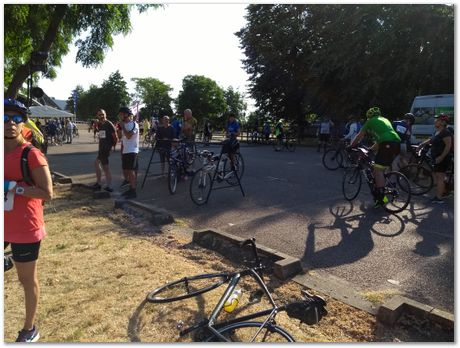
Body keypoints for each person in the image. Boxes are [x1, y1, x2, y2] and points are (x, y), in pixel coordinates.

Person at [4, 98, 53, 342]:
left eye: (16, 119)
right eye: (4, 118)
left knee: (26, 280)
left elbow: (47, 193)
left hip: (25, 227)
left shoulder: (31, 155)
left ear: (23, 123)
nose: (10, 123)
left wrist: (15, 187)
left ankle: (29, 329)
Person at [349, 107, 401, 208]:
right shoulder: (385, 120)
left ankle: (381, 197)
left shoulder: (370, 122)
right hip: (396, 144)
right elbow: (380, 141)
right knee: (379, 169)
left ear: (369, 116)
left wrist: (351, 146)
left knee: (378, 170)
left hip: (386, 144)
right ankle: (381, 196)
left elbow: (360, 135)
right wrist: (370, 149)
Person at [417, 113, 453, 203]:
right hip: (436, 157)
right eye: (436, 119)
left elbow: (448, 146)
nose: (435, 121)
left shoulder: (446, 132)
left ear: (443, 122)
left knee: (440, 177)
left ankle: (439, 198)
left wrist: (441, 157)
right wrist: (421, 145)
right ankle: (444, 191)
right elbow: (431, 140)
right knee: (438, 176)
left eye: (437, 120)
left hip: (443, 158)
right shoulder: (437, 131)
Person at [91, 109, 117, 192]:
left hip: (106, 149)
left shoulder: (109, 124)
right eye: (99, 115)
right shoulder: (101, 124)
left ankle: (108, 186)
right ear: (97, 116)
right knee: (97, 164)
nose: (101, 116)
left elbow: (115, 137)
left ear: (105, 114)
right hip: (101, 148)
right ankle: (99, 183)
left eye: (102, 114)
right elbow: (101, 135)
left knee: (105, 167)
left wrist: (113, 147)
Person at [119, 107, 140, 199]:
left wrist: (122, 126)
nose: (120, 116)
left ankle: (133, 191)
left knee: (131, 171)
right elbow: (121, 137)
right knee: (125, 170)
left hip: (133, 150)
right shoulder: (124, 125)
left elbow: (128, 136)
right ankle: (130, 185)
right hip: (125, 151)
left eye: (122, 114)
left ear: (127, 114)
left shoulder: (134, 124)